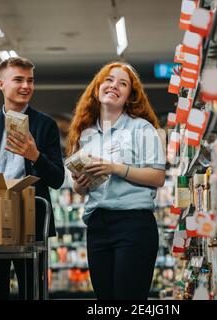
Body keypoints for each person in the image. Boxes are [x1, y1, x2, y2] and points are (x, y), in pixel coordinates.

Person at [0, 57, 65, 299]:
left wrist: (35, 155)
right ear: (1, 84)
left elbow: (58, 179)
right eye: (18, 79)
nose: (26, 86)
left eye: (30, 80)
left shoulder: (45, 125)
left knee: (32, 290)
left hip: (31, 219)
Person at [67, 61, 166, 300]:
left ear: (130, 96)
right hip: (97, 225)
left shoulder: (141, 128)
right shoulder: (86, 132)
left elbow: (158, 177)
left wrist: (115, 168)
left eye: (123, 83)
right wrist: (80, 181)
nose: (114, 86)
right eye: (109, 80)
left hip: (133, 224)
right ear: (97, 87)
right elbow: (79, 189)